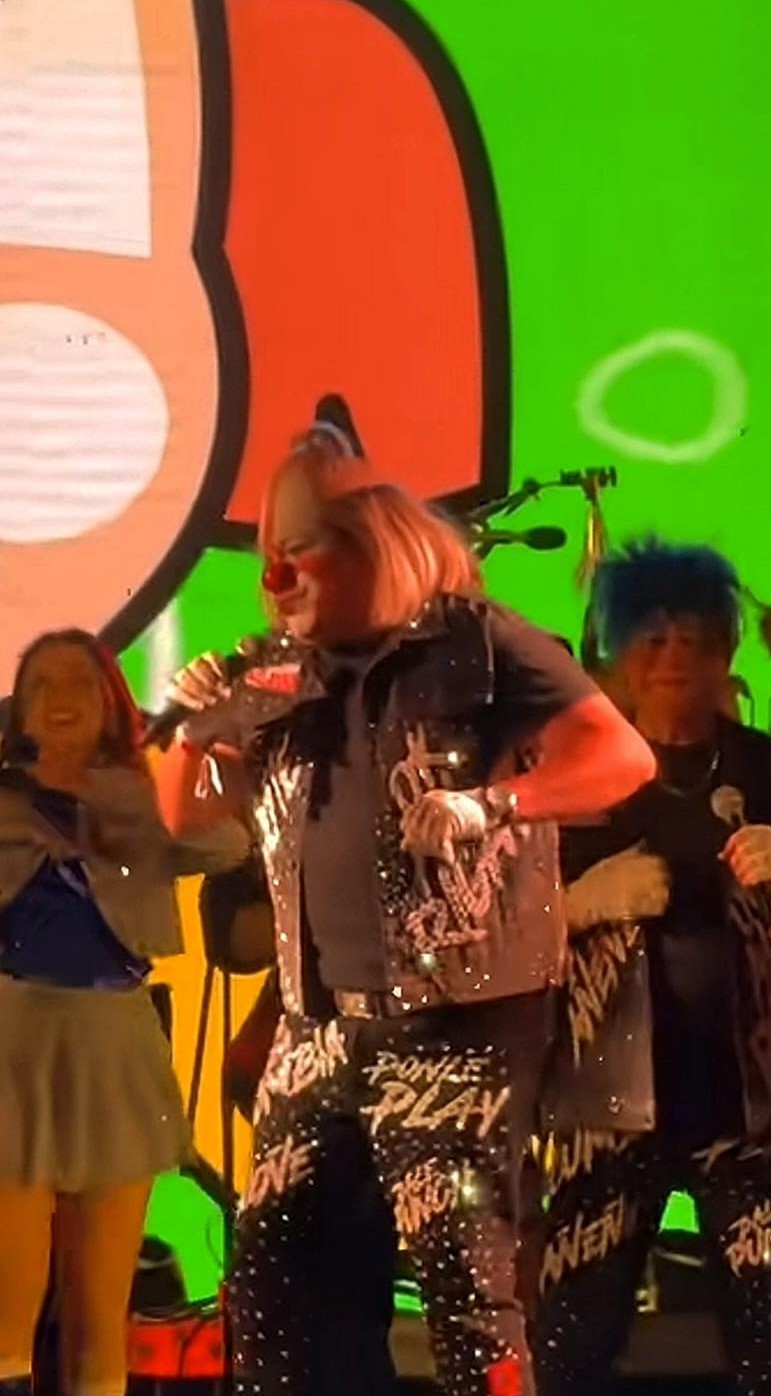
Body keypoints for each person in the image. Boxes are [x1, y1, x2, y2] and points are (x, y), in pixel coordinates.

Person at [156, 402, 653, 1396]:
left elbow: (620, 757)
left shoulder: (479, 641)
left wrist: (493, 803)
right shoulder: (274, 669)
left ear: (369, 544)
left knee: (463, 1282)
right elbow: (185, 817)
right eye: (269, 557)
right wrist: (193, 731)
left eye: (300, 553)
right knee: (272, 1279)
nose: (276, 580)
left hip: (456, 1024)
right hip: (316, 1029)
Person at [533, 539, 771, 1396]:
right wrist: (579, 902)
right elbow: (477, 934)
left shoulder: (761, 767)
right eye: (653, 638)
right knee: (566, 1348)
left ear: (727, 652)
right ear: (617, 653)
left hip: (747, 1114)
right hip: (605, 1112)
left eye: (695, 640)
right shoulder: (569, 778)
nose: (674, 658)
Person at [0, 629, 249, 1396]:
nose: (62, 698)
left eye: (81, 681)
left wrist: (199, 751)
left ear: (113, 701)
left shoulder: (146, 798)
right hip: (13, 1041)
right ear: (20, 710)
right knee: (7, 1316)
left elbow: (227, 845)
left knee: (100, 1318)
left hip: (116, 1045)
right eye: (43, 684)